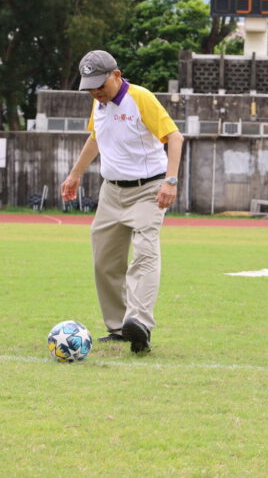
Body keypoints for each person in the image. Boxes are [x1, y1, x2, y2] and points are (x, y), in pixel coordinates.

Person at [60, 50, 184, 355]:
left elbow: (175, 137)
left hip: (148, 189)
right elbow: (96, 138)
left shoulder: (140, 97)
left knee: (144, 253)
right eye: (90, 87)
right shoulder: (99, 104)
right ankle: (118, 328)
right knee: (105, 261)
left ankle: (139, 323)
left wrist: (170, 180)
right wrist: (75, 174)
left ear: (117, 75)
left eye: (101, 85)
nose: (96, 92)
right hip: (111, 192)